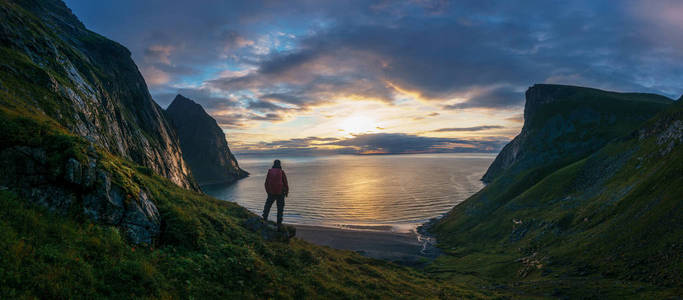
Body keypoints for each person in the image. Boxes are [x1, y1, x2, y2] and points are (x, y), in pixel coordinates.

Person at [262, 159, 289, 230]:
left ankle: (264, 218)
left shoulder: (270, 172)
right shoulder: (282, 172)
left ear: (273, 164)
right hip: (280, 193)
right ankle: (279, 223)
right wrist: (286, 193)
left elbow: (266, 183)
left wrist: (268, 191)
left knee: (268, 205)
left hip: (271, 192)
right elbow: (286, 184)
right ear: (280, 164)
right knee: (280, 208)